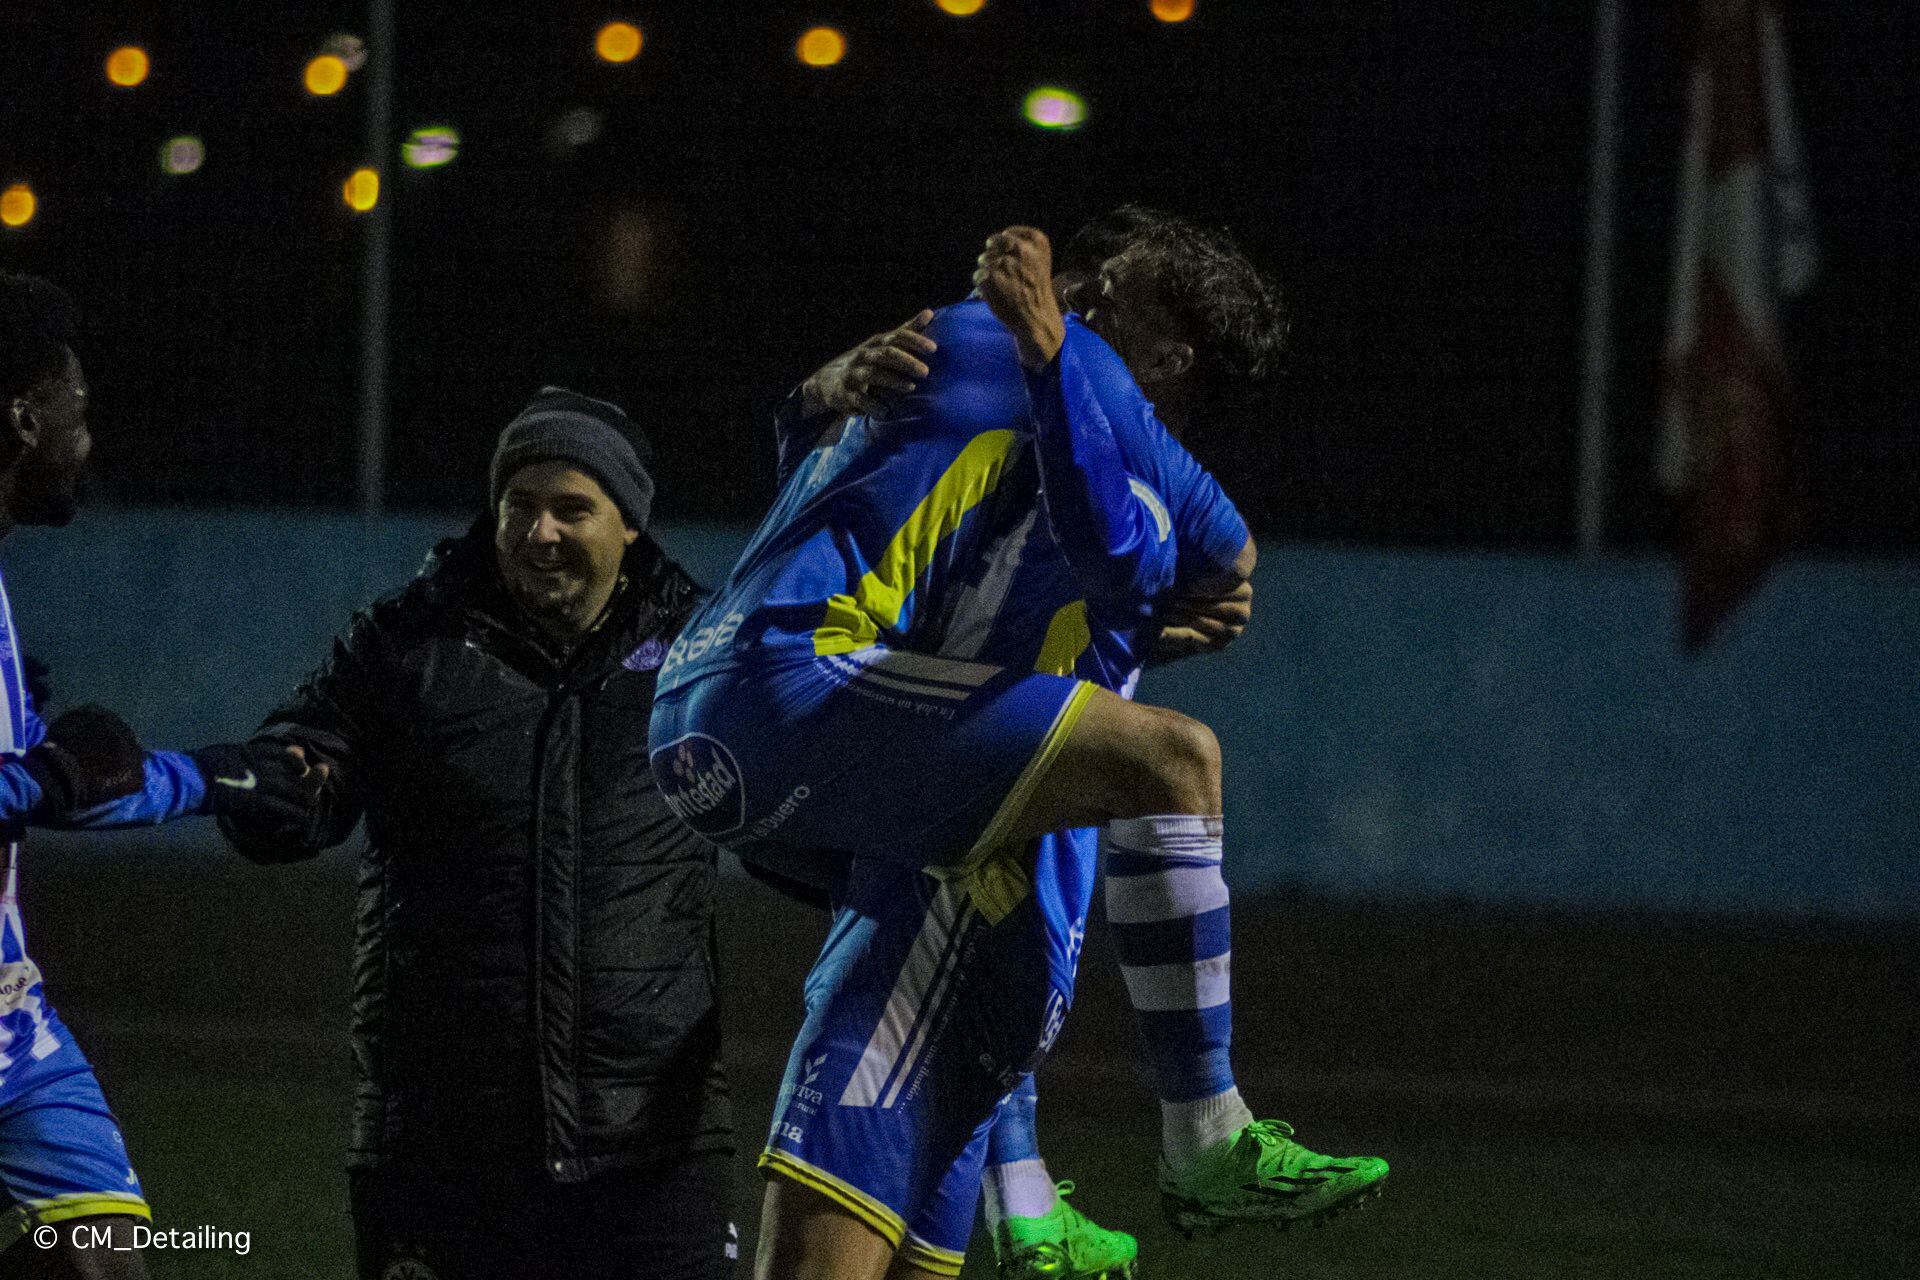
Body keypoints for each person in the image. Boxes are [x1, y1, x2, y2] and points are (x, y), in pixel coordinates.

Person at [649, 214, 1386, 1280]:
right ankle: (1200, 1129)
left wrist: (816, 395)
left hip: (758, 732)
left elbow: (1139, 541)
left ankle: (1035, 1194)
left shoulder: (1065, 404)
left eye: (1112, 290)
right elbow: (1177, 553)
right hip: (881, 791)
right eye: (1084, 281)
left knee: (964, 1068)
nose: (1079, 289)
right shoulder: (1044, 385)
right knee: (1169, 762)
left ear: (1170, 357)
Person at [214, 389, 737, 1280]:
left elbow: (808, 793)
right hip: (441, 1156)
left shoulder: (703, 653)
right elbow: (302, 772)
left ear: (630, 524)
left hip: (658, 1152)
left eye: (571, 508)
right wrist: (278, 788)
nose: (540, 532)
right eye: (519, 505)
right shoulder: (405, 645)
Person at [0, 272, 319, 1280]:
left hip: (11, 1027)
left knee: (108, 1256)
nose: (87, 439)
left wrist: (220, 778)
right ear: (25, 419)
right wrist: (41, 778)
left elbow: (65, 781)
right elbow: (43, 783)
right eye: (79, 409)